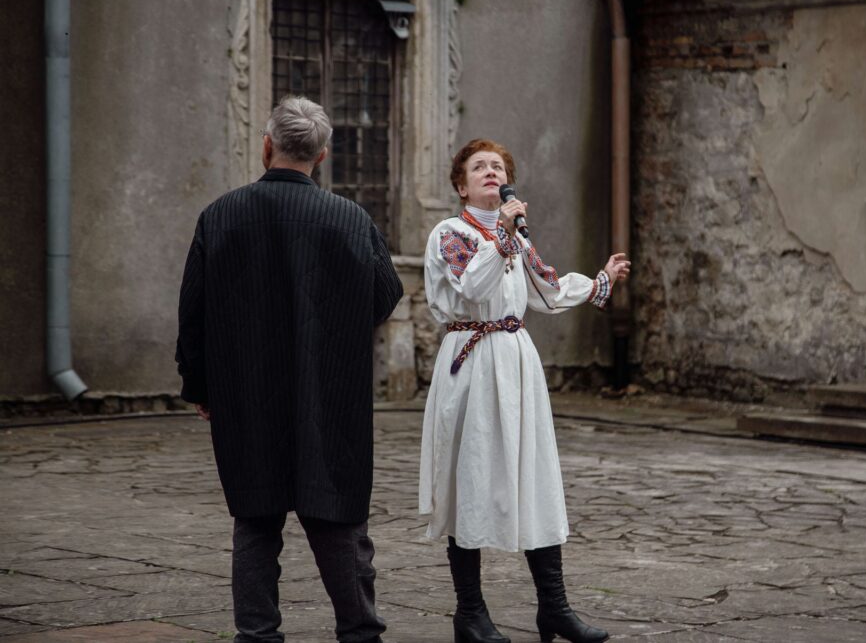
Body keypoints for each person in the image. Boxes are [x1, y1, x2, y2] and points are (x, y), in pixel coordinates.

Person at [175, 96, 403, 643]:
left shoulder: (220, 215)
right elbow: (385, 294)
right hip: (330, 390)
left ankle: (258, 635)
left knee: (255, 519)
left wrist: (201, 385)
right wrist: (335, 328)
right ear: (322, 155)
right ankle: (359, 631)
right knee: (337, 519)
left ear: (267, 145)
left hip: (246, 391)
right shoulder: (351, 219)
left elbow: (193, 312)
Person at [419, 139, 630, 643]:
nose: (491, 171)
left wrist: (600, 281)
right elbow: (472, 287)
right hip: (471, 364)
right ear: (461, 185)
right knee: (469, 478)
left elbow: (548, 291)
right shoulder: (450, 234)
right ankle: (470, 614)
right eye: (479, 167)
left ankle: (554, 608)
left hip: (516, 362)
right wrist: (503, 235)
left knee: (535, 477)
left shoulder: (514, 239)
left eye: (498, 166)